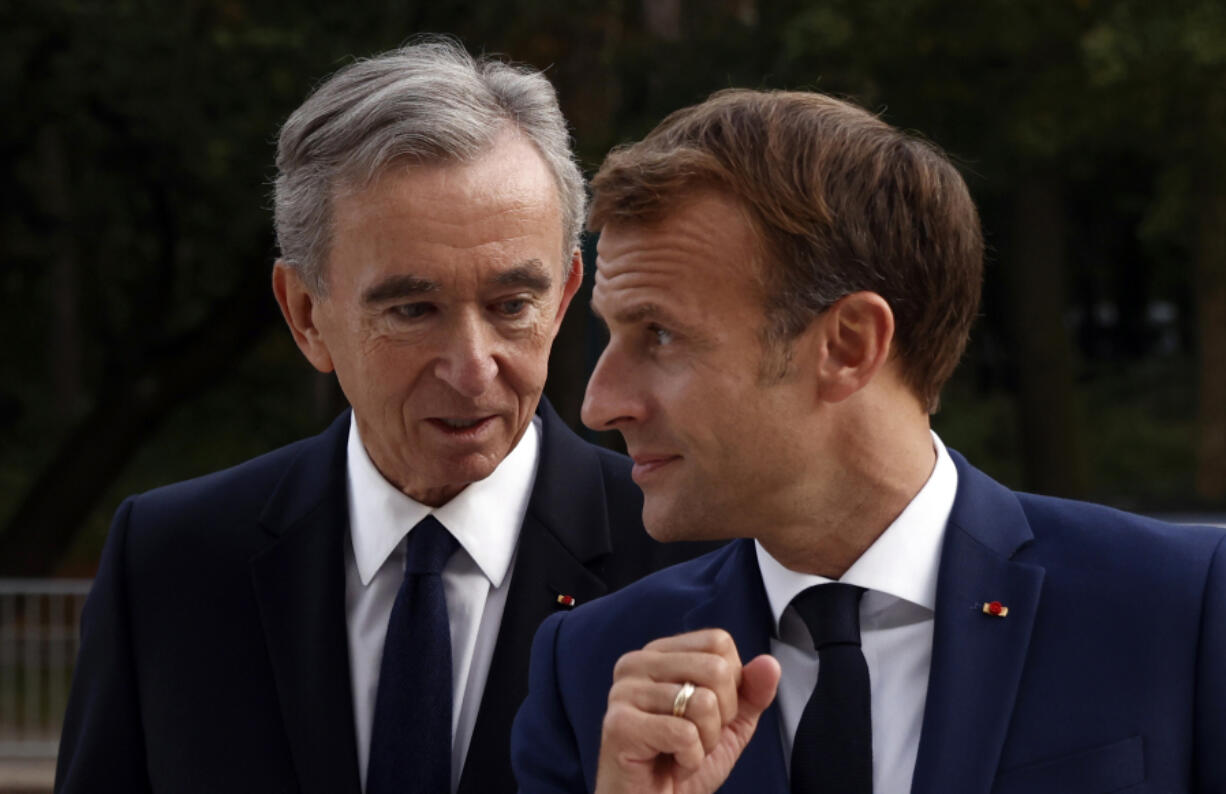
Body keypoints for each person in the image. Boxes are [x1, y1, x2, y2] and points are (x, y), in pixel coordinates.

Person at [511, 88, 1226, 793]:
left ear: (849, 346)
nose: (600, 405)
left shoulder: (1183, 608)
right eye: (611, 335)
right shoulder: (593, 669)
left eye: (659, 335)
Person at [55, 40, 712, 794]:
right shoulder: (172, 563)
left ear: (565, 296)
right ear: (306, 315)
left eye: (510, 306)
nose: (472, 367)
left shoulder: (695, 563)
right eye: (412, 309)